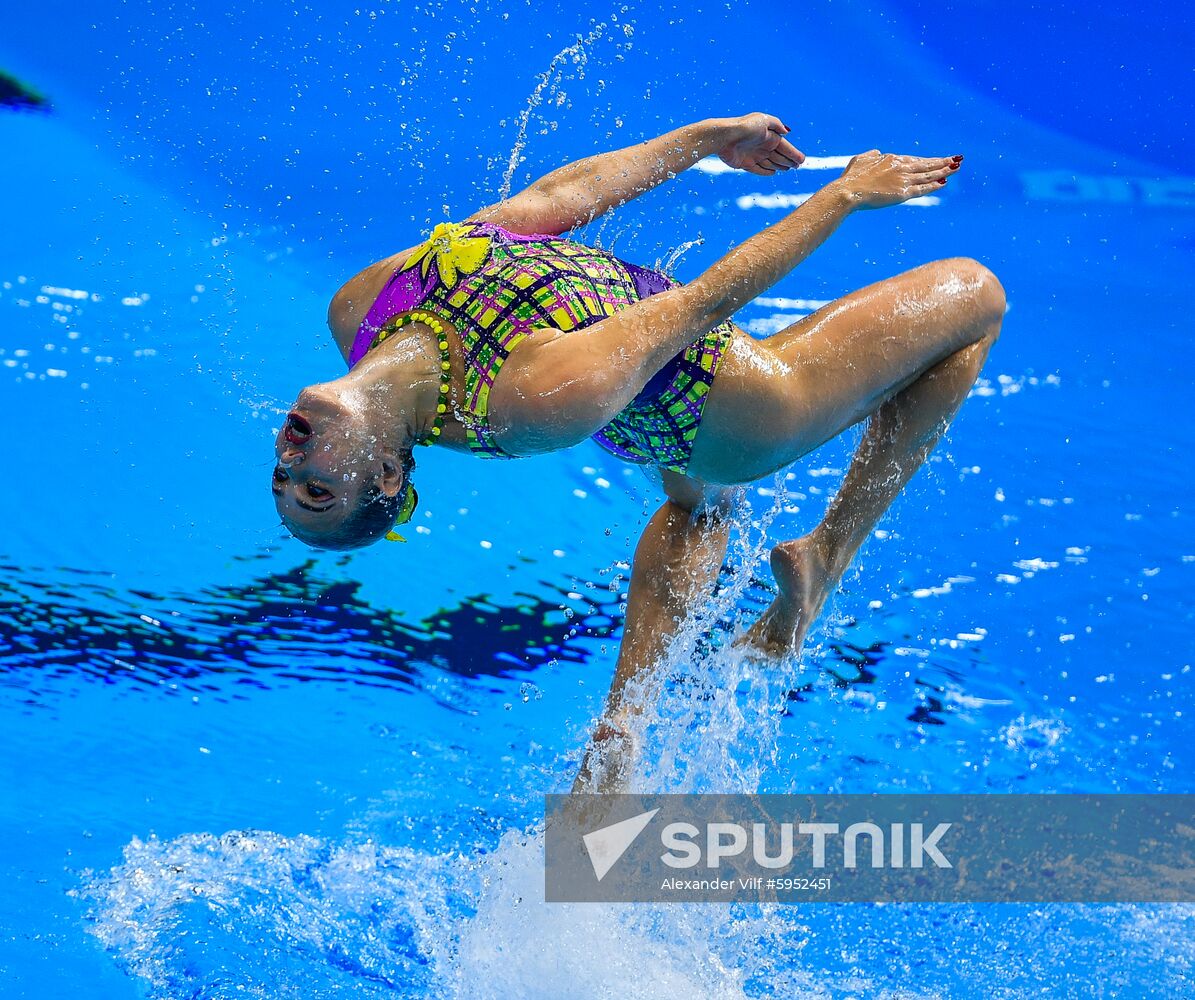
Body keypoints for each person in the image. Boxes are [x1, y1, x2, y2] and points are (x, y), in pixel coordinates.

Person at [271, 112, 1005, 789]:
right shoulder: (532, 394)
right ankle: (829, 555)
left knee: (700, 511)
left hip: (640, 401)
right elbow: (707, 300)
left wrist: (708, 139)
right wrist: (844, 195)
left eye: (282, 479)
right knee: (975, 294)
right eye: (318, 492)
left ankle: (624, 723)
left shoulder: (358, 309)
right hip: (744, 408)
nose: (292, 465)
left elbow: (553, 198)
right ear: (391, 471)